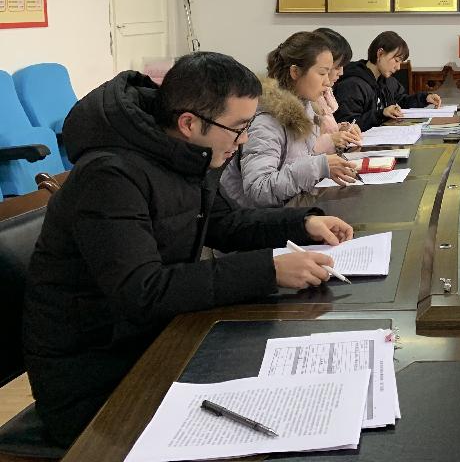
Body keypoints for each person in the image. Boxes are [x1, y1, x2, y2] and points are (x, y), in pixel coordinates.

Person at [22, 52, 355, 447]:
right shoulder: (109, 176)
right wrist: (269, 269)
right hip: (97, 377)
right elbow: (143, 290)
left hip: (155, 340)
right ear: (189, 123)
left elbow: (224, 224)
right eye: (238, 129)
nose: (244, 141)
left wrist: (302, 224)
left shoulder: (185, 151)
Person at [220, 31, 359, 208]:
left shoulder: (307, 110)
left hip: (291, 209)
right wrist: (317, 167)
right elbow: (258, 190)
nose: (328, 82)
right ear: (295, 71)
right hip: (260, 218)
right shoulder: (266, 121)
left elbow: (298, 164)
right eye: (322, 73)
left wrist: (325, 167)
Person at [334, 30, 442, 130]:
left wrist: (425, 98)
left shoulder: (387, 81)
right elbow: (347, 124)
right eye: (396, 60)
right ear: (380, 53)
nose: (398, 67)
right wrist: (381, 114)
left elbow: (402, 101)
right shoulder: (352, 85)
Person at [311, 27, 362, 153]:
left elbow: (324, 132)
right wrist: (331, 140)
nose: (341, 72)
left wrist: (342, 130)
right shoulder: (307, 98)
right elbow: (302, 150)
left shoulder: (325, 95)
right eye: (337, 67)